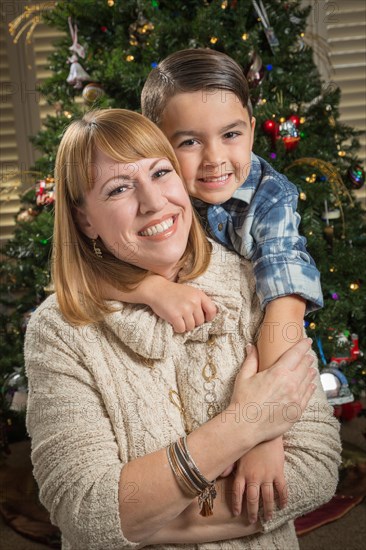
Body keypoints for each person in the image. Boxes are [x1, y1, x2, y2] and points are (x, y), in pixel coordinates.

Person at [24, 109, 340, 550]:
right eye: (118, 188)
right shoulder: (59, 330)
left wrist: (142, 522)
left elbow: (315, 469)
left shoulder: (257, 284)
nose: (154, 203)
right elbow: (86, 513)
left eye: (160, 173)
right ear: (84, 219)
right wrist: (245, 425)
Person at [101, 47, 324, 521]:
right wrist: (151, 289)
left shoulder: (269, 196)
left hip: (257, 338)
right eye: (188, 143)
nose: (215, 159)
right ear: (155, 144)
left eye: (230, 134)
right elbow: (84, 265)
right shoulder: (151, 192)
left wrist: (266, 432)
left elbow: (285, 304)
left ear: (250, 123)